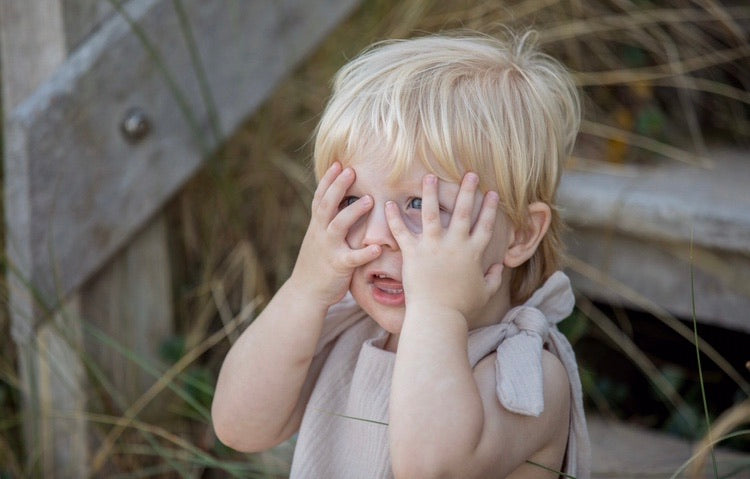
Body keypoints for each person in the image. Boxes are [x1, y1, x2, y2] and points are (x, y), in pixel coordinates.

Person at [211, 30, 590, 479]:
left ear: (520, 235)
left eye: (420, 206)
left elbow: (431, 469)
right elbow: (239, 428)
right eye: (354, 200)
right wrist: (304, 290)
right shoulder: (347, 331)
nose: (379, 235)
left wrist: (438, 308)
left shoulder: (528, 375)